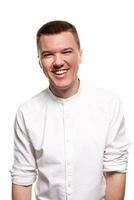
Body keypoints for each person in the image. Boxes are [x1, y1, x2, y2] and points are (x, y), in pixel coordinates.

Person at [10, 20, 131, 200]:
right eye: (48, 54)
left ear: (80, 55)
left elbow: (115, 169)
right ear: (40, 61)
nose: (58, 62)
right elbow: (22, 177)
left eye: (66, 51)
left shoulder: (108, 104)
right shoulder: (26, 112)